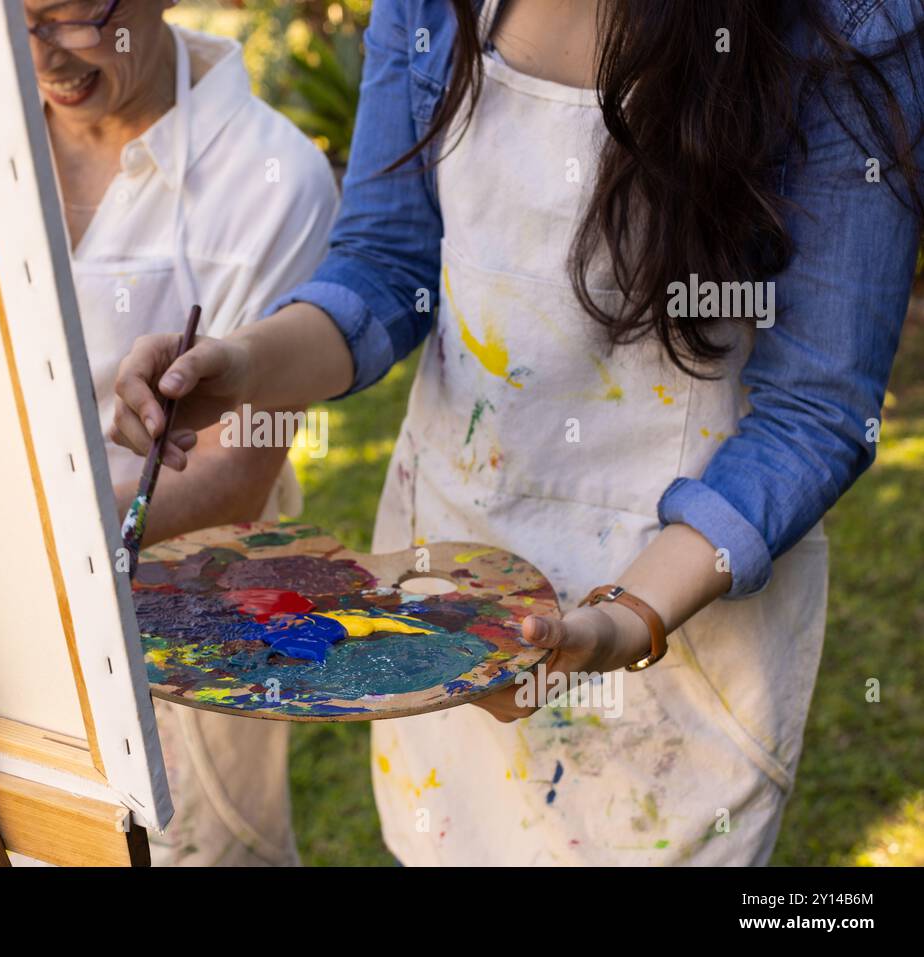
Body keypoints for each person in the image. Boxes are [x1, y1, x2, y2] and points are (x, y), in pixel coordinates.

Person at [110, 0, 924, 865]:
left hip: (681, 624)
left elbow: (816, 413)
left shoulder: (850, 24)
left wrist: (624, 619)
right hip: (450, 604)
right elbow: (388, 264)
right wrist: (239, 366)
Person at [30, 0, 338, 865]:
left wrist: (23, 544)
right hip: (8, 630)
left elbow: (232, 478)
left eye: (70, 14)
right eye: (12, 22)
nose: (44, 57)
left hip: (192, 624)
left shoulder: (272, 174)